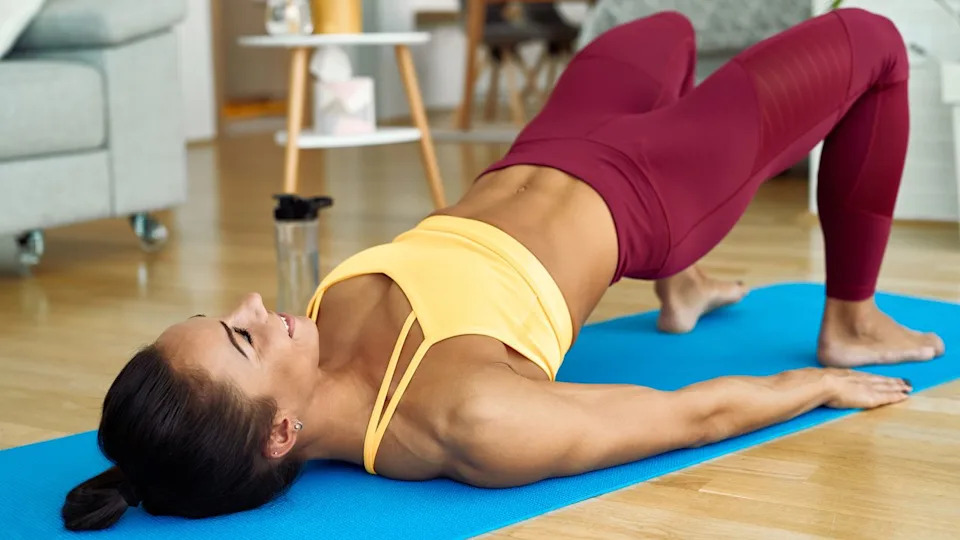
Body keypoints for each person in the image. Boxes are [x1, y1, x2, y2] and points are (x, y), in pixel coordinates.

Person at [63, 8, 944, 531]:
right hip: (655, 191)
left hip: (545, 148)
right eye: (242, 338)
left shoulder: (310, 348)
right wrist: (811, 385)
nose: (255, 303)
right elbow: (689, 415)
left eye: (228, 317)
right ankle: (851, 318)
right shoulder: (470, 421)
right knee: (872, 43)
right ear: (281, 435)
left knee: (663, 31)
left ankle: (683, 293)